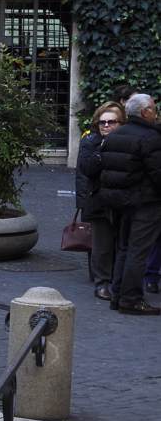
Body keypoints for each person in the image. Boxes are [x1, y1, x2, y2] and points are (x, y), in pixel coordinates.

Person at [90, 93, 161, 314]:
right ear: (145, 112)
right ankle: (130, 299)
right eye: (154, 108)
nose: (156, 112)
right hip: (145, 202)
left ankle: (118, 294)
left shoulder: (116, 135)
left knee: (124, 248)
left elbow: (107, 171)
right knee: (138, 251)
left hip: (122, 203)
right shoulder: (151, 137)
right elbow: (158, 173)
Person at [77, 102, 124, 300]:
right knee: (102, 245)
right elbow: (86, 170)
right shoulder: (91, 142)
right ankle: (102, 283)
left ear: (121, 123)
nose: (106, 126)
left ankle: (120, 281)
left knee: (123, 243)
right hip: (99, 199)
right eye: (102, 122)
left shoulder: (128, 142)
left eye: (111, 122)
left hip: (124, 200)